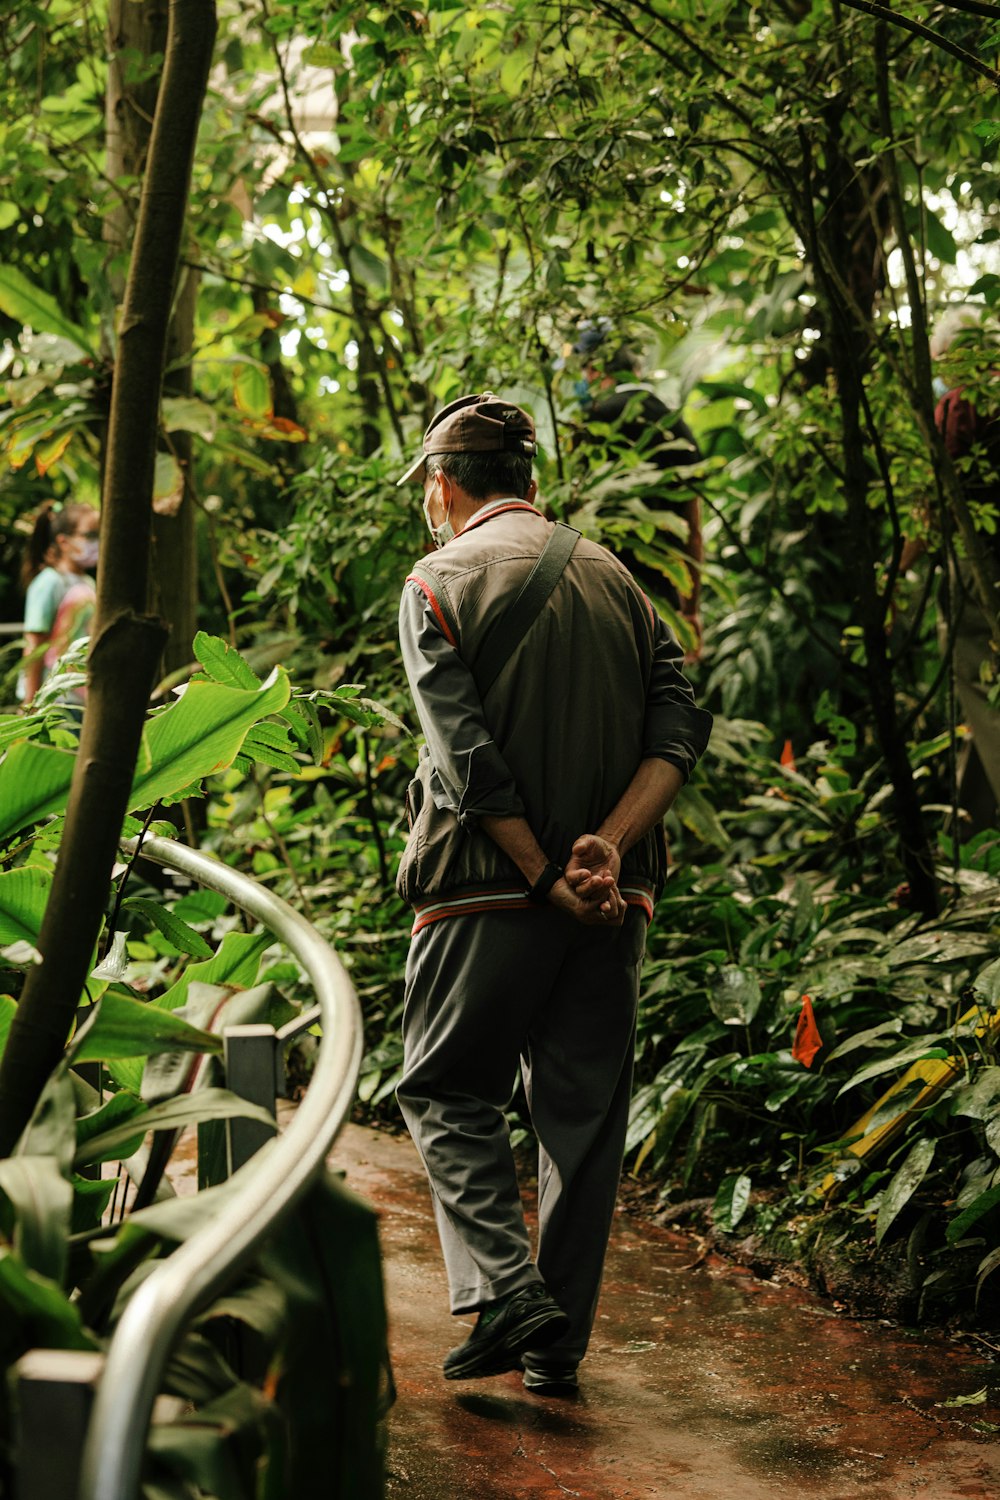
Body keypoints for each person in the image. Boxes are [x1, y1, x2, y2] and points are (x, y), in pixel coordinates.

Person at [394, 391, 712, 1395]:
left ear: (445, 488)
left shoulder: (437, 582)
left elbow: (464, 761)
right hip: (610, 902)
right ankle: (552, 1349)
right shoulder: (620, 580)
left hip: (483, 893)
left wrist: (540, 872)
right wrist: (605, 854)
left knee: (445, 1088)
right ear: (532, 483)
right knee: (580, 1120)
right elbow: (678, 732)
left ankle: (503, 1283)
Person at [573, 326, 705, 659]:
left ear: (595, 369)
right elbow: (693, 531)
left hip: (602, 595)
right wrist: (689, 612)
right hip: (663, 603)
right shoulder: (677, 426)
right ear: (637, 368)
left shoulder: (593, 423)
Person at [19, 502, 99, 707]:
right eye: (90, 535)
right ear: (63, 541)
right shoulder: (49, 582)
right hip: (53, 701)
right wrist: (31, 702)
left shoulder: (88, 583)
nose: (97, 542)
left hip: (80, 699)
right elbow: (34, 646)